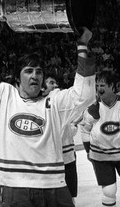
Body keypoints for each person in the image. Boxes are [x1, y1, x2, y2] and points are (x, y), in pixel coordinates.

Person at [0, 17, 96, 207]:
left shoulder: (53, 102)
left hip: (53, 184)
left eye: (39, 72)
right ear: (17, 79)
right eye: (29, 71)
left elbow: (84, 94)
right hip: (14, 186)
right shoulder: (3, 95)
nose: (35, 75)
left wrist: (82, 46)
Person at [78, 71, 120, 207]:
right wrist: (89, 151)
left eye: (103, 85)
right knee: (109, 191)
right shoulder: (92, 106)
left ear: (112, 87)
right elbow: (84, 129)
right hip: (101, 155)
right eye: (97, 85)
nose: (99, 89)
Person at [42, 75, 79, 205]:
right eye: (51, 82)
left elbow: (71, 132)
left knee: (70, 195)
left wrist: (73, 125)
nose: (55, 85)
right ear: (42, 85)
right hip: (51, 160)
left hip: (68, 157)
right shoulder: (41, 106)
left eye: (55, 83)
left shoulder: (60, 102)